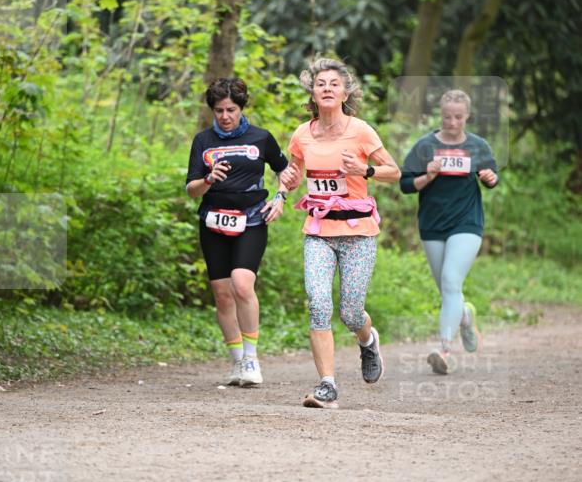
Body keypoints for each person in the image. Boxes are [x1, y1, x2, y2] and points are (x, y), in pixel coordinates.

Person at [281, 58, 400, 409]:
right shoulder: (302, 134)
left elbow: (394, 172)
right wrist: (284, 185)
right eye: (321, 84)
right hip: (318, 232)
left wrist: (365, 170)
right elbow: (293, 173)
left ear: (345, 92)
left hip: (358, 234)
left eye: (334, 83)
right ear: (313, 94)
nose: (327, 88)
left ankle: (367, 340)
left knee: (350, 313)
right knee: (318, 304)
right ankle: (327, 386)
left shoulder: (361, 130)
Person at [186, 77, 290, 387]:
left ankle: (251, 359)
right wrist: (208, 180)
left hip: (252, 220)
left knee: (242, 285)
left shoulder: (261, 138)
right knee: (221, 294)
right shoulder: (203, 141)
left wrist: (281, 197)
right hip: (213, 221)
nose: (225, 116)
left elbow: (285, 169)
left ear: (241, 108)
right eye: (219, 110)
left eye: (231, 109)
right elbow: (191, 189)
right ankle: (236, 362)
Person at [399, 89, 499, 374]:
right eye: (446, 117)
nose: (452, 122)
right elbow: (405, 185)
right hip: (432, 224)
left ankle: (443, 349)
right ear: (439, 115)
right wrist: (427, 176)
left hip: (467, 223)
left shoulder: (478, 146)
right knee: (447, 289)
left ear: (467, 116)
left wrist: (490, 177)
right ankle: (465, 317)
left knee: (451, 280)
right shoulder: (425, 146)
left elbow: (491, 177)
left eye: (458, 117)